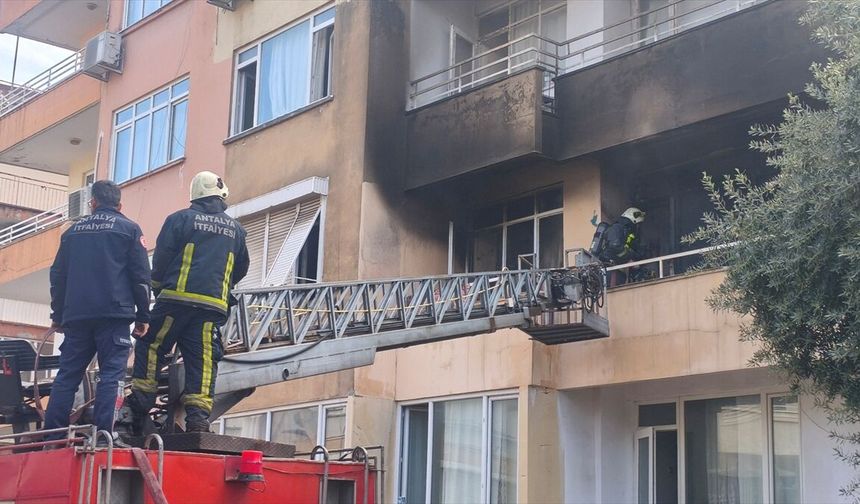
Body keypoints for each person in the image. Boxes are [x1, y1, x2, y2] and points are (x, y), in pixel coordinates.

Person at [124, 171, 249, 433]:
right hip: (210, 309)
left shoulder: (180, 220)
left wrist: (157, 290)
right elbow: (241, 269)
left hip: (174, 303)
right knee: (202, 361)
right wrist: (220, 290)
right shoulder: (236, 230)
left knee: (152, 344)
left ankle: (140, 405)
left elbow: (160, 261)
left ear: (195, 195)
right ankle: (198, 421)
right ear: (220, 195)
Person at [45, 180, 151, 441]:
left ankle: (51, 436)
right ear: (119, 204)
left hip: (77, 317)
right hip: (114, 316)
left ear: (92, 202)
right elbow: (140, 277)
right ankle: (104, 434)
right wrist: (143, 315)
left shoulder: (72, 233)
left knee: (68, 376)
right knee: (111, 377)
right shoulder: (129, 229)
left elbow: (58, 276)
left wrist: (58, 315)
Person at [600, 207, 646, 286]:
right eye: (637, 224)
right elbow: (614, 246)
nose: (638, 227)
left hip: (618, 273)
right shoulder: (617, 228)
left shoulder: (627, 234)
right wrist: (629, 258)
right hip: (608, 271)